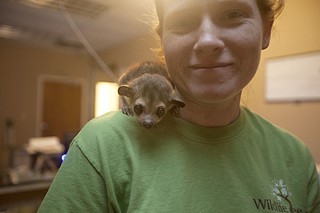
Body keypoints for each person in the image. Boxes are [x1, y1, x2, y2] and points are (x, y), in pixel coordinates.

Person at [38, 0, 320, 212]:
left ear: (266, 30)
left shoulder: (296, 159)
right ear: (163, 39)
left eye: (233, 14)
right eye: (184, 21)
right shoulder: (101, 147)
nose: (208, 40)